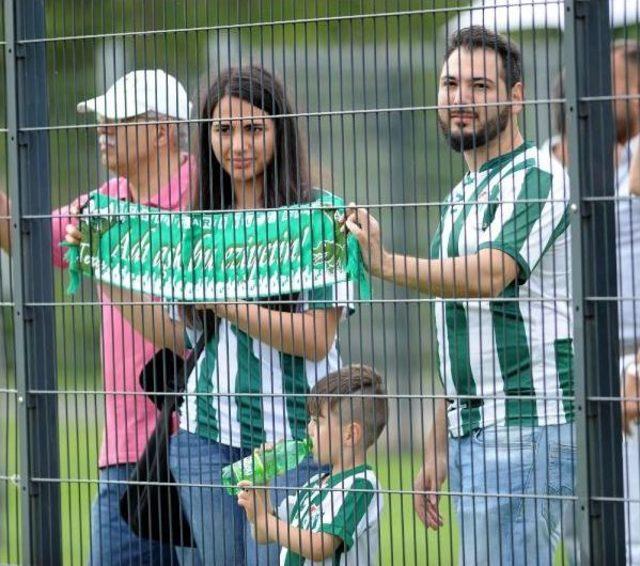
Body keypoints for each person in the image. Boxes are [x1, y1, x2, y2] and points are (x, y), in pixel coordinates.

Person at [68, 65, 354, 565]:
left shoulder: (317, 217)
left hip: (290, 442)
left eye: (252, 129)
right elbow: (180, 334)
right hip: (204, 440)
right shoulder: (199, 224)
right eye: (223, 130)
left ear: (279, 133)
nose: (237, 144)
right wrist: (103, 269)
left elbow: (316, 339)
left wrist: (225, 301)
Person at [345, 26, 574, 564]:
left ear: (517, 98)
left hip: (529, 427)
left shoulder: (539, 176)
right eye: (450, 84)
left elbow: (489, 276)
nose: (460, 99)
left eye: (479, 85)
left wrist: (384, 264)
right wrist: (439, 438)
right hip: (475, 433)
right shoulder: (459, 196)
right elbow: (460, 318)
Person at [13, 69, 197, 564]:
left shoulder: (209, 198)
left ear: (162, 132)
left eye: (117, 119)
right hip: (124, 458)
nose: (103, 130)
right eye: (102, 119)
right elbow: (26, 236)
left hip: (206, 450)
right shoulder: (101, 204)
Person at [237, 364, 386, 565]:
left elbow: (319, 547)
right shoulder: (315, 485)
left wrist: (264, 519)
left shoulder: (361, 486)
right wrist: (263, 484)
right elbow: (264, 535)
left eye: (317, 421)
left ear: (350, 434)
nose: (309, 429)